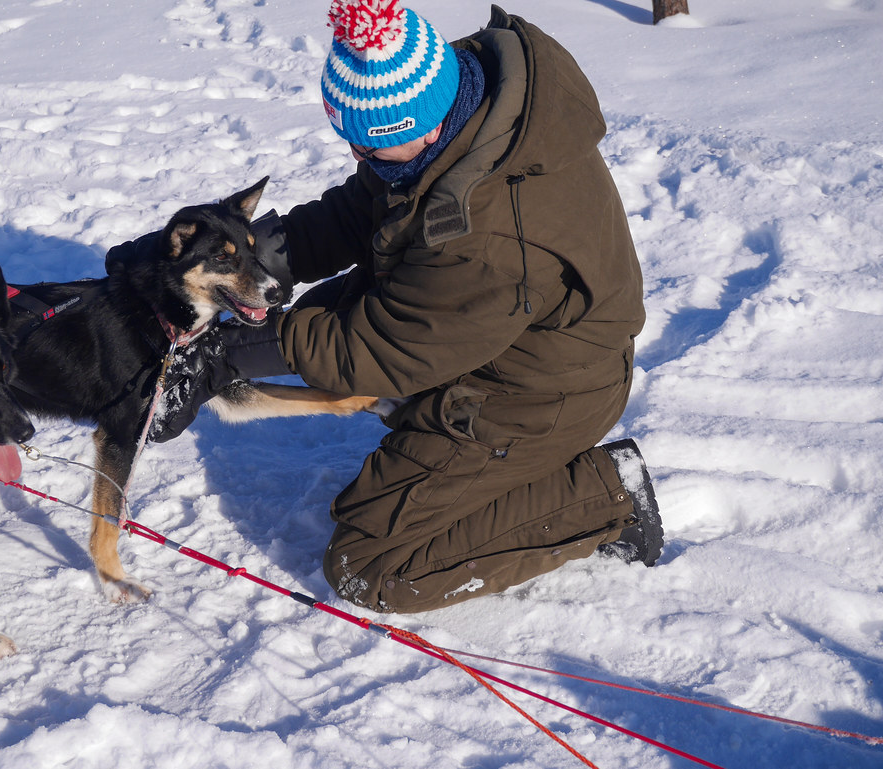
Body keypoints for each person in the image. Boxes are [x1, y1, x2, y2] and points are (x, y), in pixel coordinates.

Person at [147, 0, 663, 614]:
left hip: (535, 396)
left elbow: (379, 347)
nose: (358, 160)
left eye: (368, 149)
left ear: (414, 124)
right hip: (491, 340)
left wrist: (223, 355)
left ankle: (607, 496)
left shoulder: (489, 236)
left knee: (371, 567)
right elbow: (354, 212)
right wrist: (236, 262)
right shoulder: (462, 118)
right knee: (334, 307)